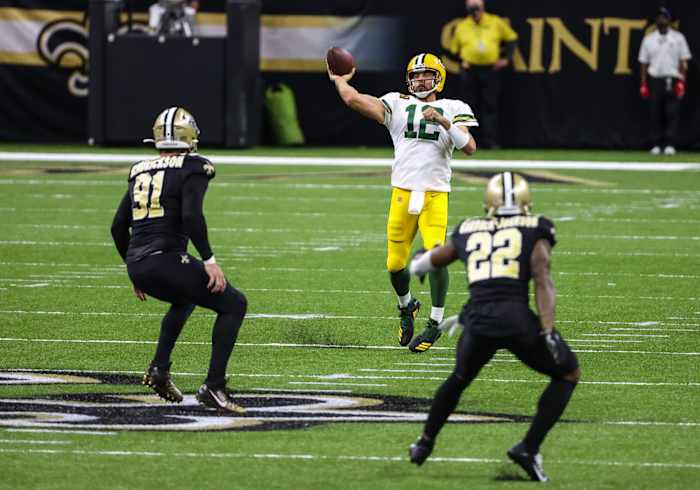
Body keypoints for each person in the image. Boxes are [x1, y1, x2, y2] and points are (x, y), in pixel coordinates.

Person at [407, 172, 581, 482]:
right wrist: (548, 330)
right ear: (525, 202)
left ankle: (425, 442)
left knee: (459, 379)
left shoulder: (468, 229)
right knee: (568, 373)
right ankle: (528, 448)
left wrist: (421, 260)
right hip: (516, 321)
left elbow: (431, 261)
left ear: (489, 202)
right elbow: (542, 279)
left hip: (477, 322)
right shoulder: (536, 228)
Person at [328, 53, 478, 352]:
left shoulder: (454, 107)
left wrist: (443, 121)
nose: (420, 80)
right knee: (395, 263)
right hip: (403, 192)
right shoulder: (396, 102)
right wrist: (340, 81)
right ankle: (407, 306)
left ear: (439, 77)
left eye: (426, 74)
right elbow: (355, 100)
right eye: (415, 75)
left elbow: (469, 147)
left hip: (435, 194)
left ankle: (435, 323)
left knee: (436, 255)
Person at [110, 107, 247, 414]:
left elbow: (118, 226)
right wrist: (209, 259)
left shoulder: (139, 169)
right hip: (166, 259)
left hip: (139, 264)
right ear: (190, 136)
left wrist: (133, 270)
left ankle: (159, 369)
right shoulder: (195, 166)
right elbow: (191, 216)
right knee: (234, 304)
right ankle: (214, 387)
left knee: (185, 298)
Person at [450, 0, 518, 149]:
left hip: (490, 69)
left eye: (477, 6)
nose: (474, 10)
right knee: (468, 106)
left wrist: (506, 59)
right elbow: (453, 50)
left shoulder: (495, 22)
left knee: (490, 105)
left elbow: (511, 38)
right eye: (471, 7)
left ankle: (490, 141)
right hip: (470, 70)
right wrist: (461, 61)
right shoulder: (462, 26)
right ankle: (468, 140)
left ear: (483, 7)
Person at [638, 7, 692, 156]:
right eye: (659, 17)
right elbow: (643, 63)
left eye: (664, 17)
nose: (661, 20)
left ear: (669, 20)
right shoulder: (649, 39)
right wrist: (643, 84)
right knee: (655, 112)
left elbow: (683, 62)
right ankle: (656, 144)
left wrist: (682, 82)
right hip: (655, 79)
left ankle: (669, 144)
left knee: (671, 113)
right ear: (656, 20)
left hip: (673, 79)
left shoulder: (678, 38)